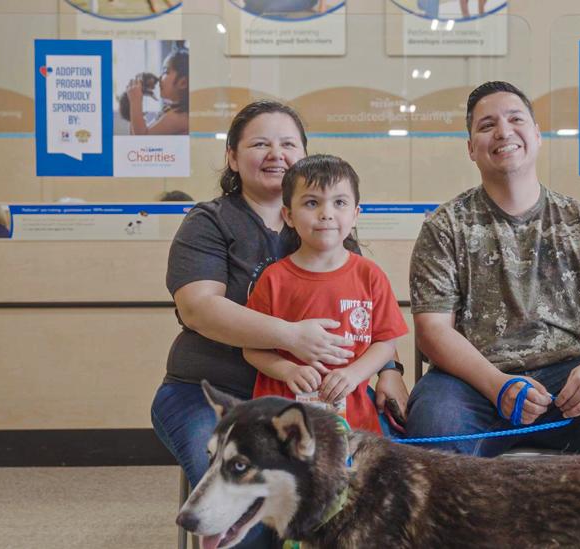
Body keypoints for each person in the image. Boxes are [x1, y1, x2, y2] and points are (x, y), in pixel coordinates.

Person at [150, 101, 408, 548]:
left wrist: (389, 371)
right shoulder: (210, 222)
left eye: (288, 143)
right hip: (213, 393)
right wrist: (292, 338)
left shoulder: (325, 225)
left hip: (324, 404)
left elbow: (367, 316)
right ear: (232, 157)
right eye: (259, 144)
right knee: (248, 512)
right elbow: (198, 307)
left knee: (369, 498)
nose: (276, 153)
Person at [405, 81, 580, 467]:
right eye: (487, 125)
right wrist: (499, 385)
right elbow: (433, 331)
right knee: (432, 424)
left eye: (515, 119)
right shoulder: (445, 227)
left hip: (565, 386)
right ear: (471, 148)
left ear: (537, 136)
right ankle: (467, 525)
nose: (504, 131)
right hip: (472, 383)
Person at [244, 155, 408, 435]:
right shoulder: (273, 279)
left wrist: (355, 373)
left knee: (351, 477)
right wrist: (287, 370)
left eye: (339, 203)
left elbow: (385, 340)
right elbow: (252, 348)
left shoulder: (370, 275)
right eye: (311, 203)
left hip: (352, 416)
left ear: (355, 214)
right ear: (289, 216)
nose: (326, 213)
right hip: (278, 419)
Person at [126, 46, 188, 136]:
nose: (159, 78)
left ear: (183, 83)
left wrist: (135, 102)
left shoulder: (179, 117)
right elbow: (135, 134)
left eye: (165, 72)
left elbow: (141, 139)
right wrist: (134, 109)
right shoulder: (170, 110)